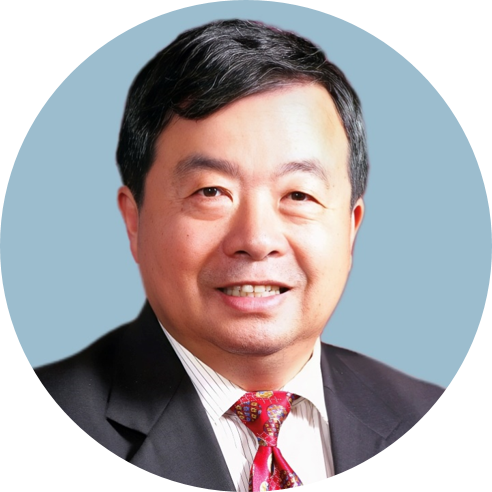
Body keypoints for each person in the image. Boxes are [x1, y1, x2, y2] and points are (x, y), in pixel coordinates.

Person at [34, 19, 444, 489]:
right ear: (135, 221)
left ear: (351, 228)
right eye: (211, 192)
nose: (257, 238)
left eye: (299, 195)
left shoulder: (419, 411)